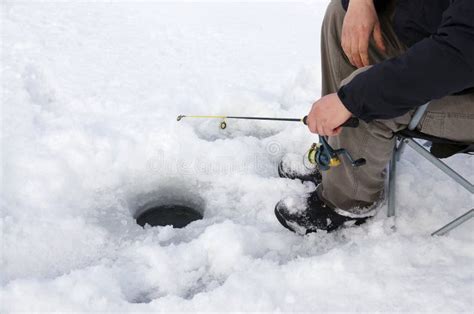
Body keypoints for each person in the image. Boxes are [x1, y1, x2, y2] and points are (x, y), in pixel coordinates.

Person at [274, 0, 474, 234]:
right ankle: (336, 159)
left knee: (368, 98)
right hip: (446, 44)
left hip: (460, 67)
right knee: (342, 14)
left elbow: (458, 57)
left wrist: (351, 99)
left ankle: (349, 199)